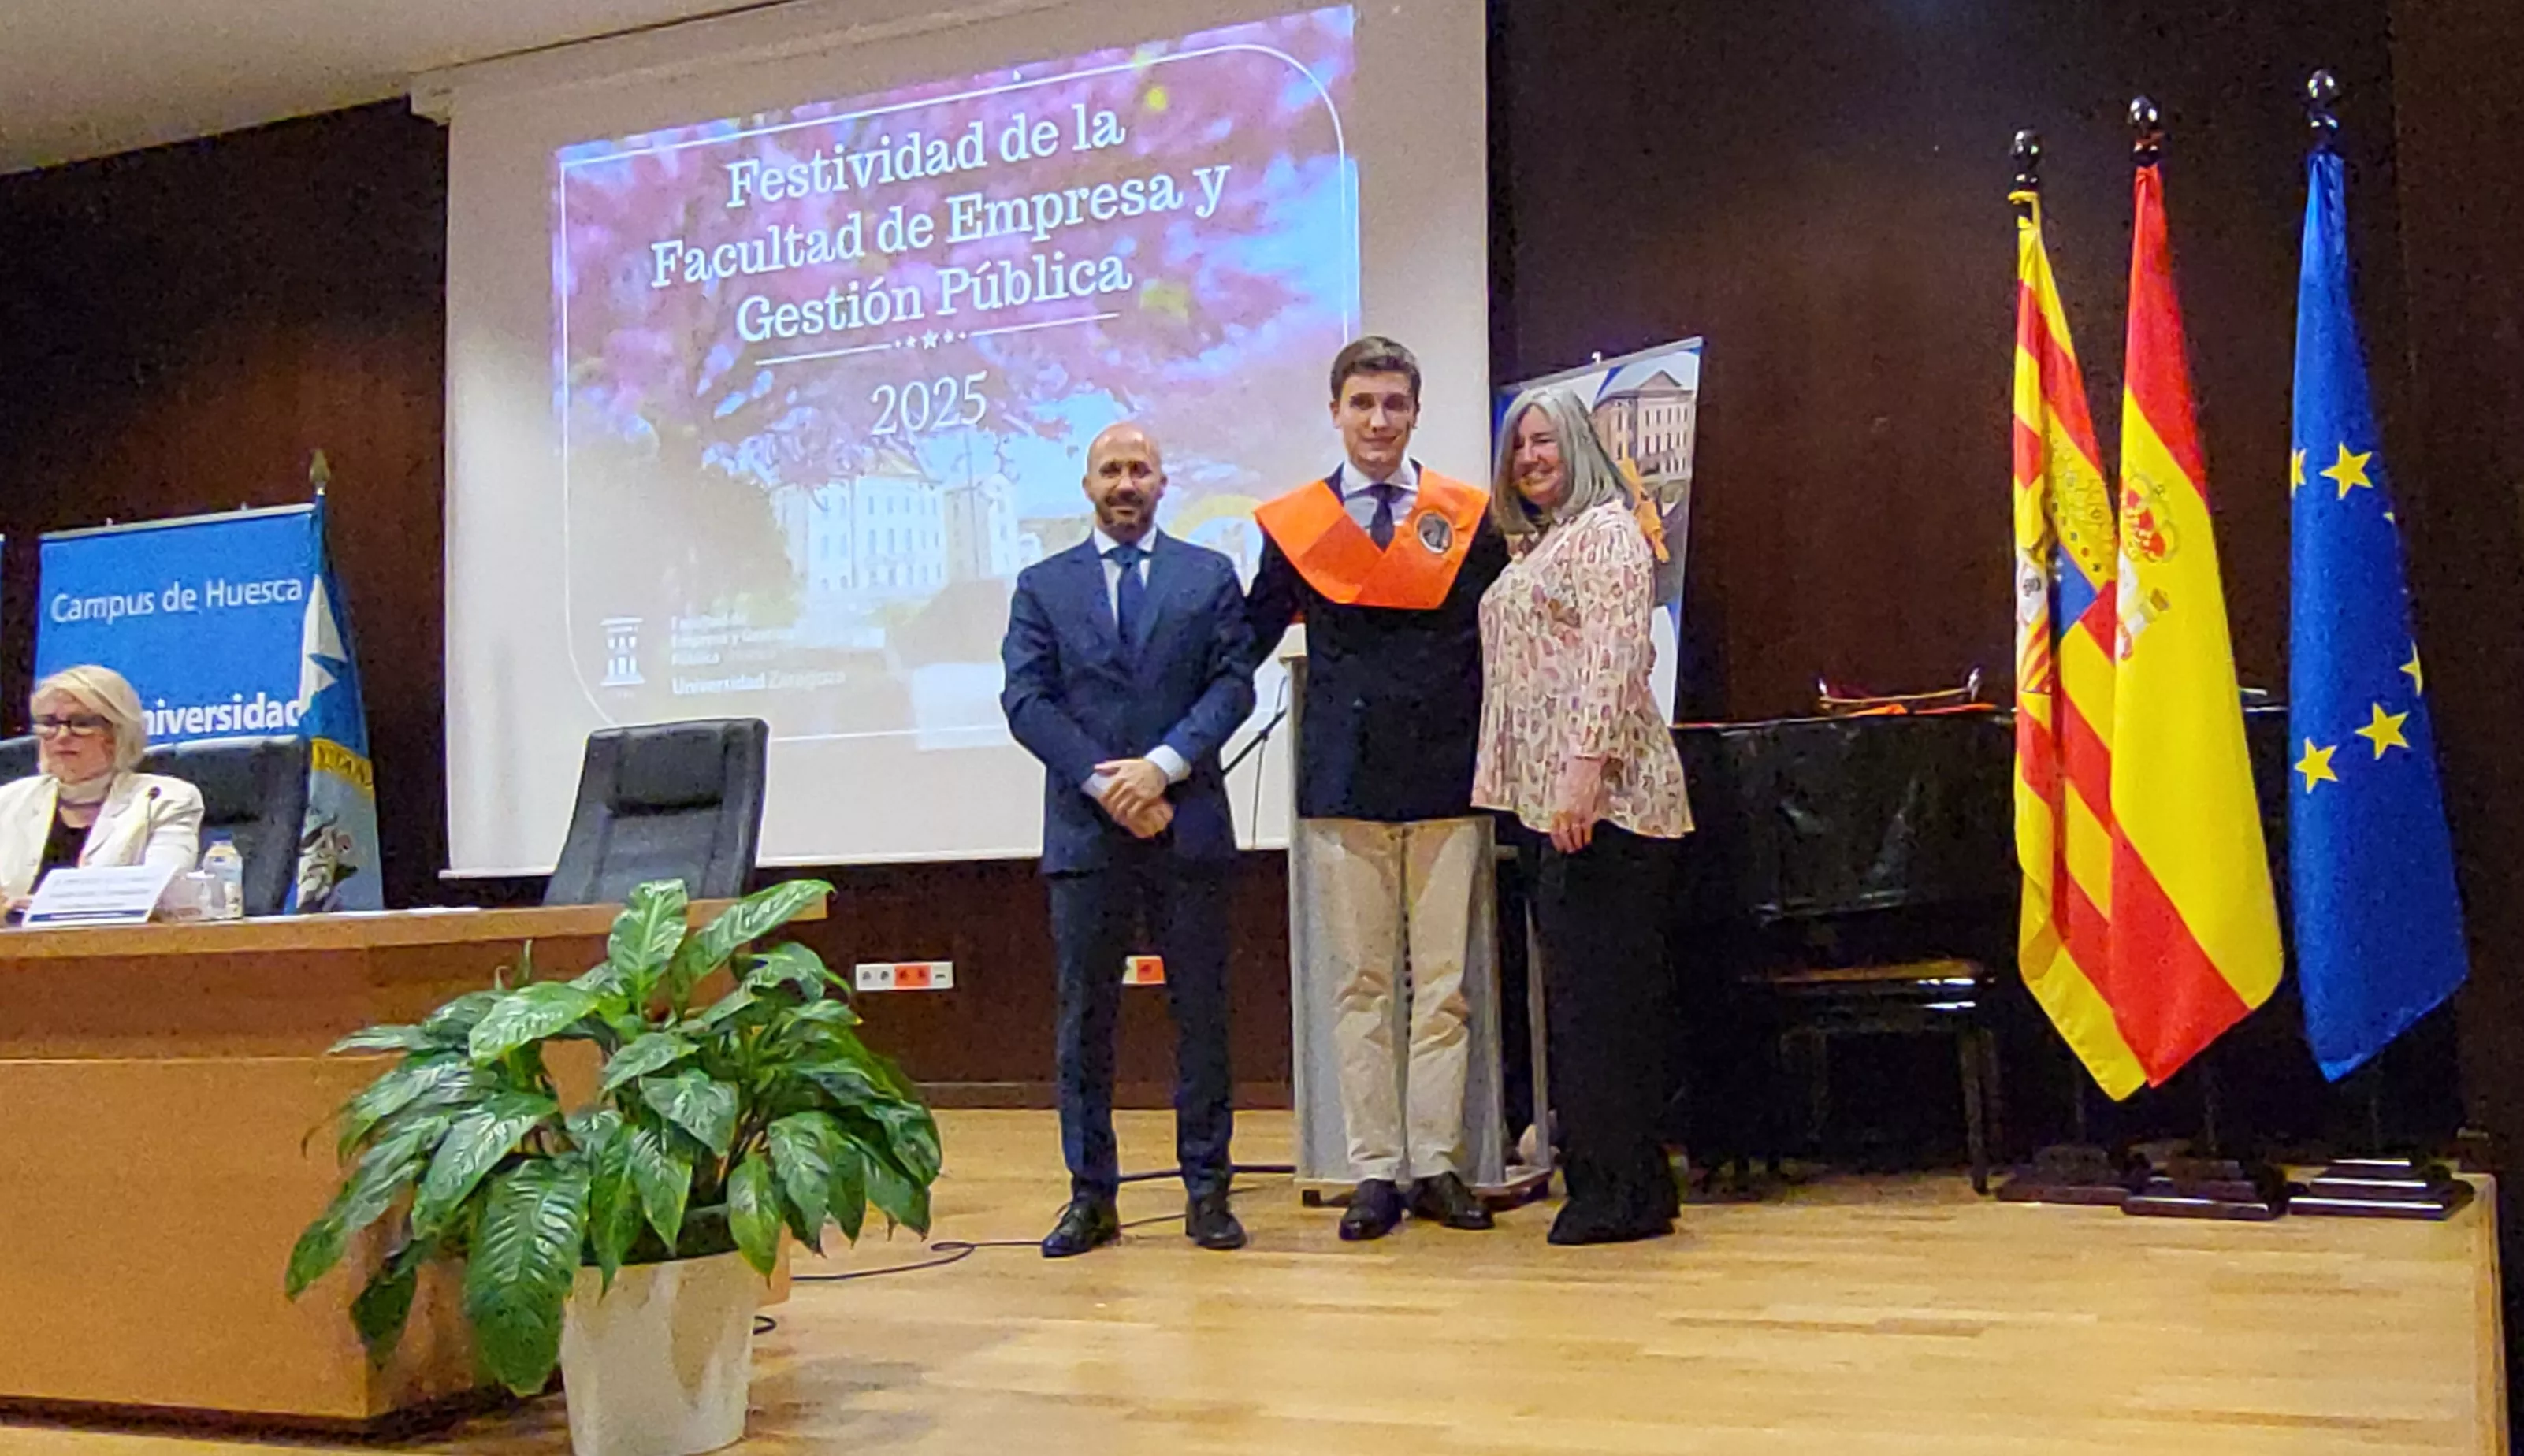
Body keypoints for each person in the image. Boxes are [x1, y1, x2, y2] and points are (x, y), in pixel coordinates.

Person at [1246, 336, 1511, 1240]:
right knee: (1360, 987)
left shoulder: (1464, 521)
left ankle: (1436, 1163)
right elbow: (1244, 636)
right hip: (1344, 780)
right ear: (1334, 413)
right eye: (1362, 404)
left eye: (1394, 404)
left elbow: (1502, 639)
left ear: (1414, 412)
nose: (1377, 421)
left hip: (1446, 773)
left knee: (1443, 987)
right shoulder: (1295, 528)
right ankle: (1373, 1172)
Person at [1001, 422, 1258, 1257]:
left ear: (1161, 482)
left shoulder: (1208, 575)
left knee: (1201, 1018)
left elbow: (1232, 687)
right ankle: (1089, 1197)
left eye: (1138, 470)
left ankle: (1207, 1193)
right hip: (1085, 833)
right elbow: (1026, 699)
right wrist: (1105, 784)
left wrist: (1159, 768)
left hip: (1186, 824)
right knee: (1085, 1021)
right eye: (1109, 470)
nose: (1124, 484)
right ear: (1086, 486)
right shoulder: (1042, 585)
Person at [1474, 388, 1693, 1245]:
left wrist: (1579, 779)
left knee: (1603, 1011)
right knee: (1589, 1006)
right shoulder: (1540, 544)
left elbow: (1612, 658)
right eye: (1518, 445)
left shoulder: (1604, 532)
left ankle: (1618, 1196)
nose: (1531, 456)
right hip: (1549, 805)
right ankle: (1630, 1184)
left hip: (1604, 807)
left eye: (1545, 440)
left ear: (1579, 445)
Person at [0, 664, 205, 910]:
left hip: (120, 945)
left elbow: (164, 891)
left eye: (81, 723)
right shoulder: (9, 800)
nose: (62, 735)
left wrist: (39, 906)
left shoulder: (163, 800)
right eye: (49, 723)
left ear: (119, 732)